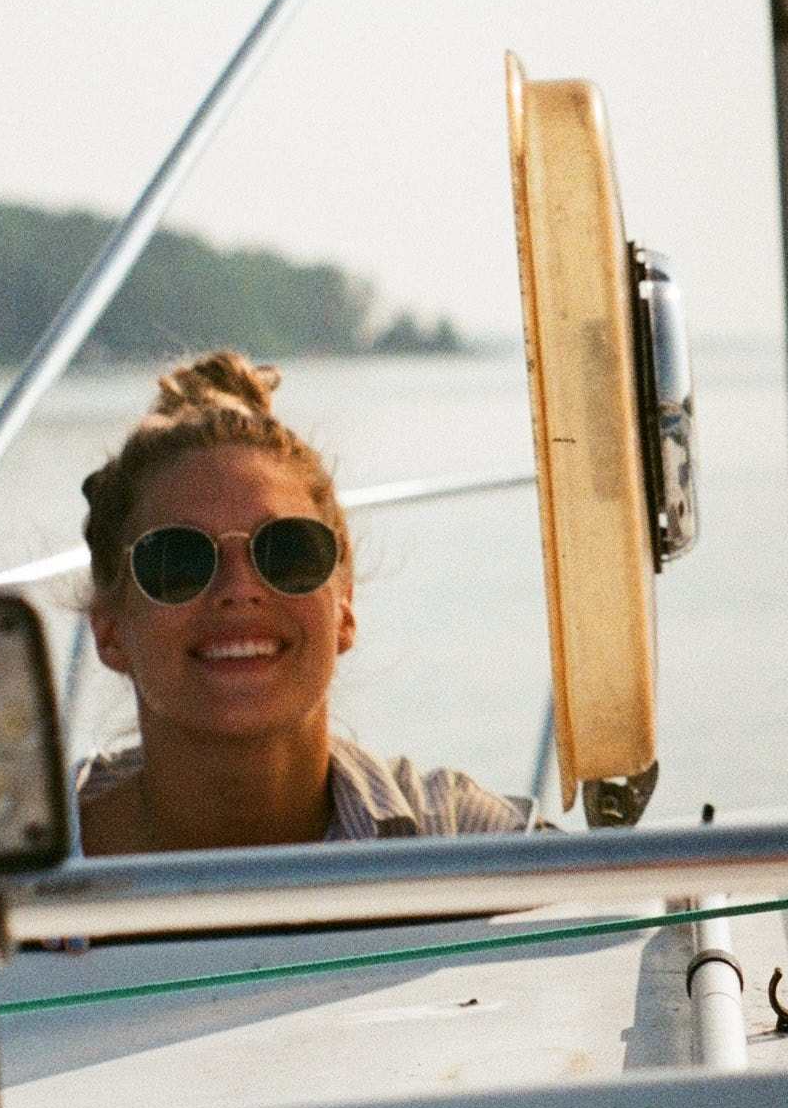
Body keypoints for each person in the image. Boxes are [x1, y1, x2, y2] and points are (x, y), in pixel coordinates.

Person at [74, 350, 534, 854]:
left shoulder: (467, 842)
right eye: (177, 562)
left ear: (345, 608)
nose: (239, 588)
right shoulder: (5, 870)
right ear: (110, 630)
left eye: (288, 551)